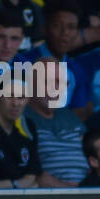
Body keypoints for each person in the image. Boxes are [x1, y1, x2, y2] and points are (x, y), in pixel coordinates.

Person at [22, 57, 86, 186]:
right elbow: (32, 172)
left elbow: (93, 155)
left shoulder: (69, 116)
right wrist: (72, 192)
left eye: (60, 82)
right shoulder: (20, 117)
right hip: (48, 197)